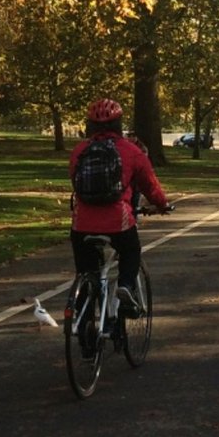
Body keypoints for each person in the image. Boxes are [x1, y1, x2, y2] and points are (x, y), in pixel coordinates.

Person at [70, 99, 170, 321]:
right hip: (118, 221)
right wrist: (162, 205)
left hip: (82, 223)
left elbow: (75, 182)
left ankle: (82, 315)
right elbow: (150, 185)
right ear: (118, 123)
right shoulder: (131, 151)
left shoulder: (79, 151)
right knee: (131, 251)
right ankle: (125, 285)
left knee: (87, 271)